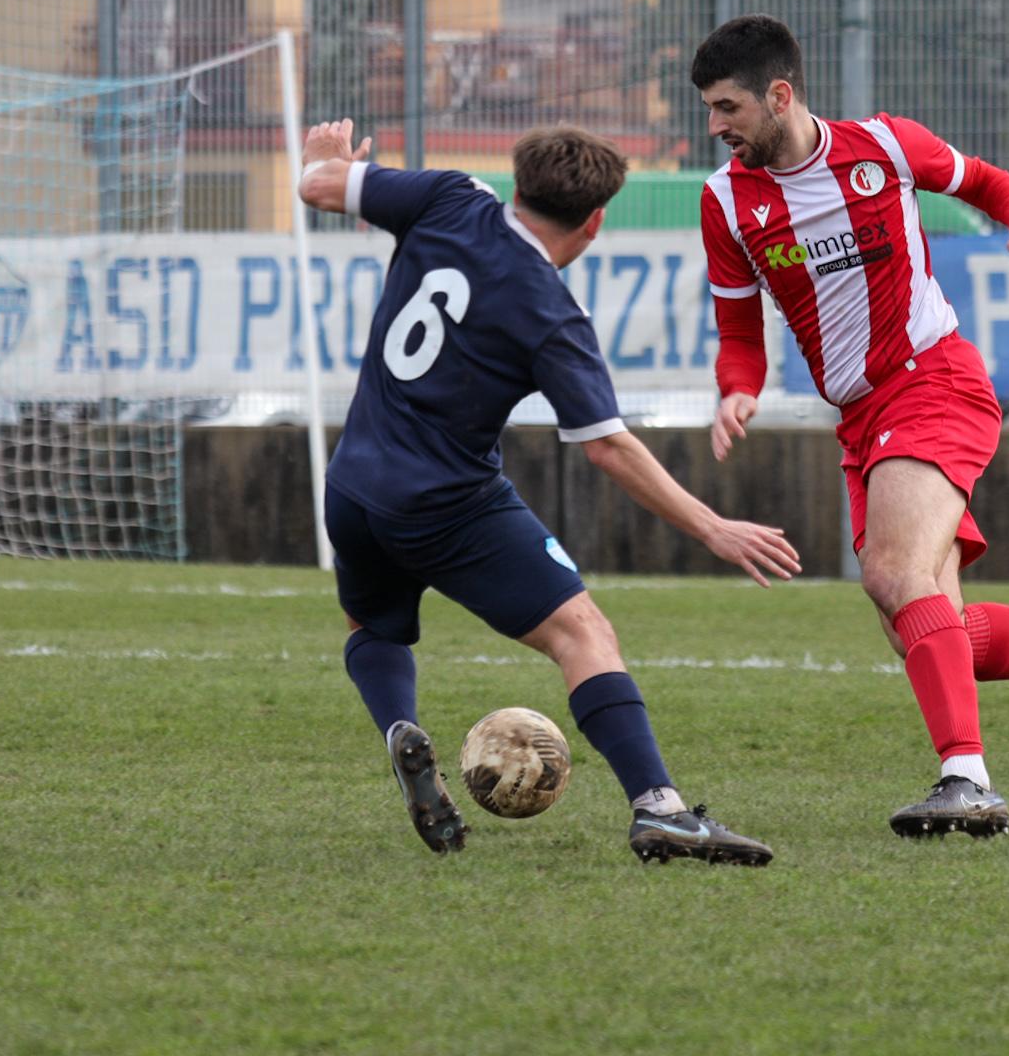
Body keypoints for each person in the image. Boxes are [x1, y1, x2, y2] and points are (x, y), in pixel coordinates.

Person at [691, 15, 1009, 841]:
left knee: (892, 573)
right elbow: (740, 332)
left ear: (781, 95)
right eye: (709, 109)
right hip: (860, 418)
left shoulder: (885, 146)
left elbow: (984, 181)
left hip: (934, 382)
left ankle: (967, 778)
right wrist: (735, 392)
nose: (716, 126)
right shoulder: (725, 203)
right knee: (918, 628)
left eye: (728, 107)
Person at [296, 118, 798, 866]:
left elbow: (316, 186)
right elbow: (608, 447)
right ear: (594, 223)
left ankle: (400, 726)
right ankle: (659, 808)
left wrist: (324, 157)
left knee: (374, 627)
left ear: (516, 182)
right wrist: (711, 525)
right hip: (448, 504)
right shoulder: (551, 313)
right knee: (583, 633)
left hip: (352, 486)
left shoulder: (451, 197)